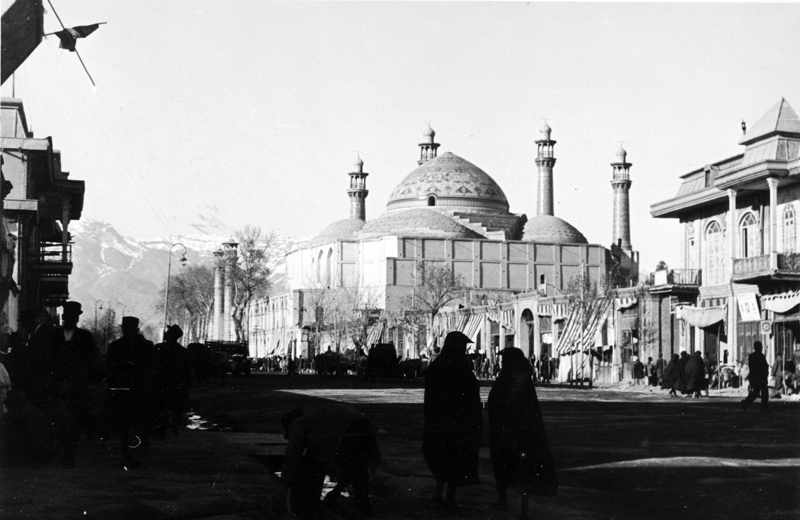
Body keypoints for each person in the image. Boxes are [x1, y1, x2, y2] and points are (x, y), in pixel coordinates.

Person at [488, 347, 557, 519]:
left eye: (504, 360)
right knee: (522, 470)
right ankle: (522, 507)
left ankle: (503, 500)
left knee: (506, 466)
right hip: (524, 434)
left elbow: (501, 402)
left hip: (509, 432)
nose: (502, 363)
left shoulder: (509, 379)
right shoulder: (523, 379)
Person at [280, 404, 380, 519]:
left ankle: (312, 506)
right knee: (358, 469)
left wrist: (285, 482)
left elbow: (292, 455)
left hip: (348, 428)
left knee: (314, 463)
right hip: (363, 425)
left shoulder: (298, 423)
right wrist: (337, 490)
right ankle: (363, 511)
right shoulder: (316, 421)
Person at [423, 331, 482, 509]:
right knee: (455, 460)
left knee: (444, 459)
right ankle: (448, 496)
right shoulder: (460, 367)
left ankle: (439, 492)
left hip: (441, 422)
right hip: (457, 423)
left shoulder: (438, 365)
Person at [48, 301, 103, 464]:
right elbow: (48, 359)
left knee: (75, 420)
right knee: (58, 418)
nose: (71, 319)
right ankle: (60, 450)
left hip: (77, 385)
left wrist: (91, 380)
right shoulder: (54, 335)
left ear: (77, 318)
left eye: (74, 316)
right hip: (57, 383)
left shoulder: (85, 337)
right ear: (64, 317)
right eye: (68, 316)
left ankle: (69, 454)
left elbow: (92, 360)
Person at [105, 316, 156, 467]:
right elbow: (152, 368)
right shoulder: (146, 345)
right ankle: (135, 450)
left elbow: (110, 369)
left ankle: (128, 450)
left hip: (125, 389)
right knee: (137, 421)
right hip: (139, 388)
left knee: (126, 422)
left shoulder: (115, 346)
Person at [154, 325, 191, 437]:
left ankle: (161, 429)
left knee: (161, 407)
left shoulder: (159, 348)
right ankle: (174, 429)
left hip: (162, 383)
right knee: (176, 409)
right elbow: (187, 371)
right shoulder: (182, 351)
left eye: (168, 331)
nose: (166, 333)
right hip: (177, 384)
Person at [741, 341, 769, 412]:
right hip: (761, 377)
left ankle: (746, 402)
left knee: (756, 392)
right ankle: (764, 408)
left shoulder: (751, 356)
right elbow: (764, 366)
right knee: (764, 392)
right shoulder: (761, 356)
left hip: (754, 377)